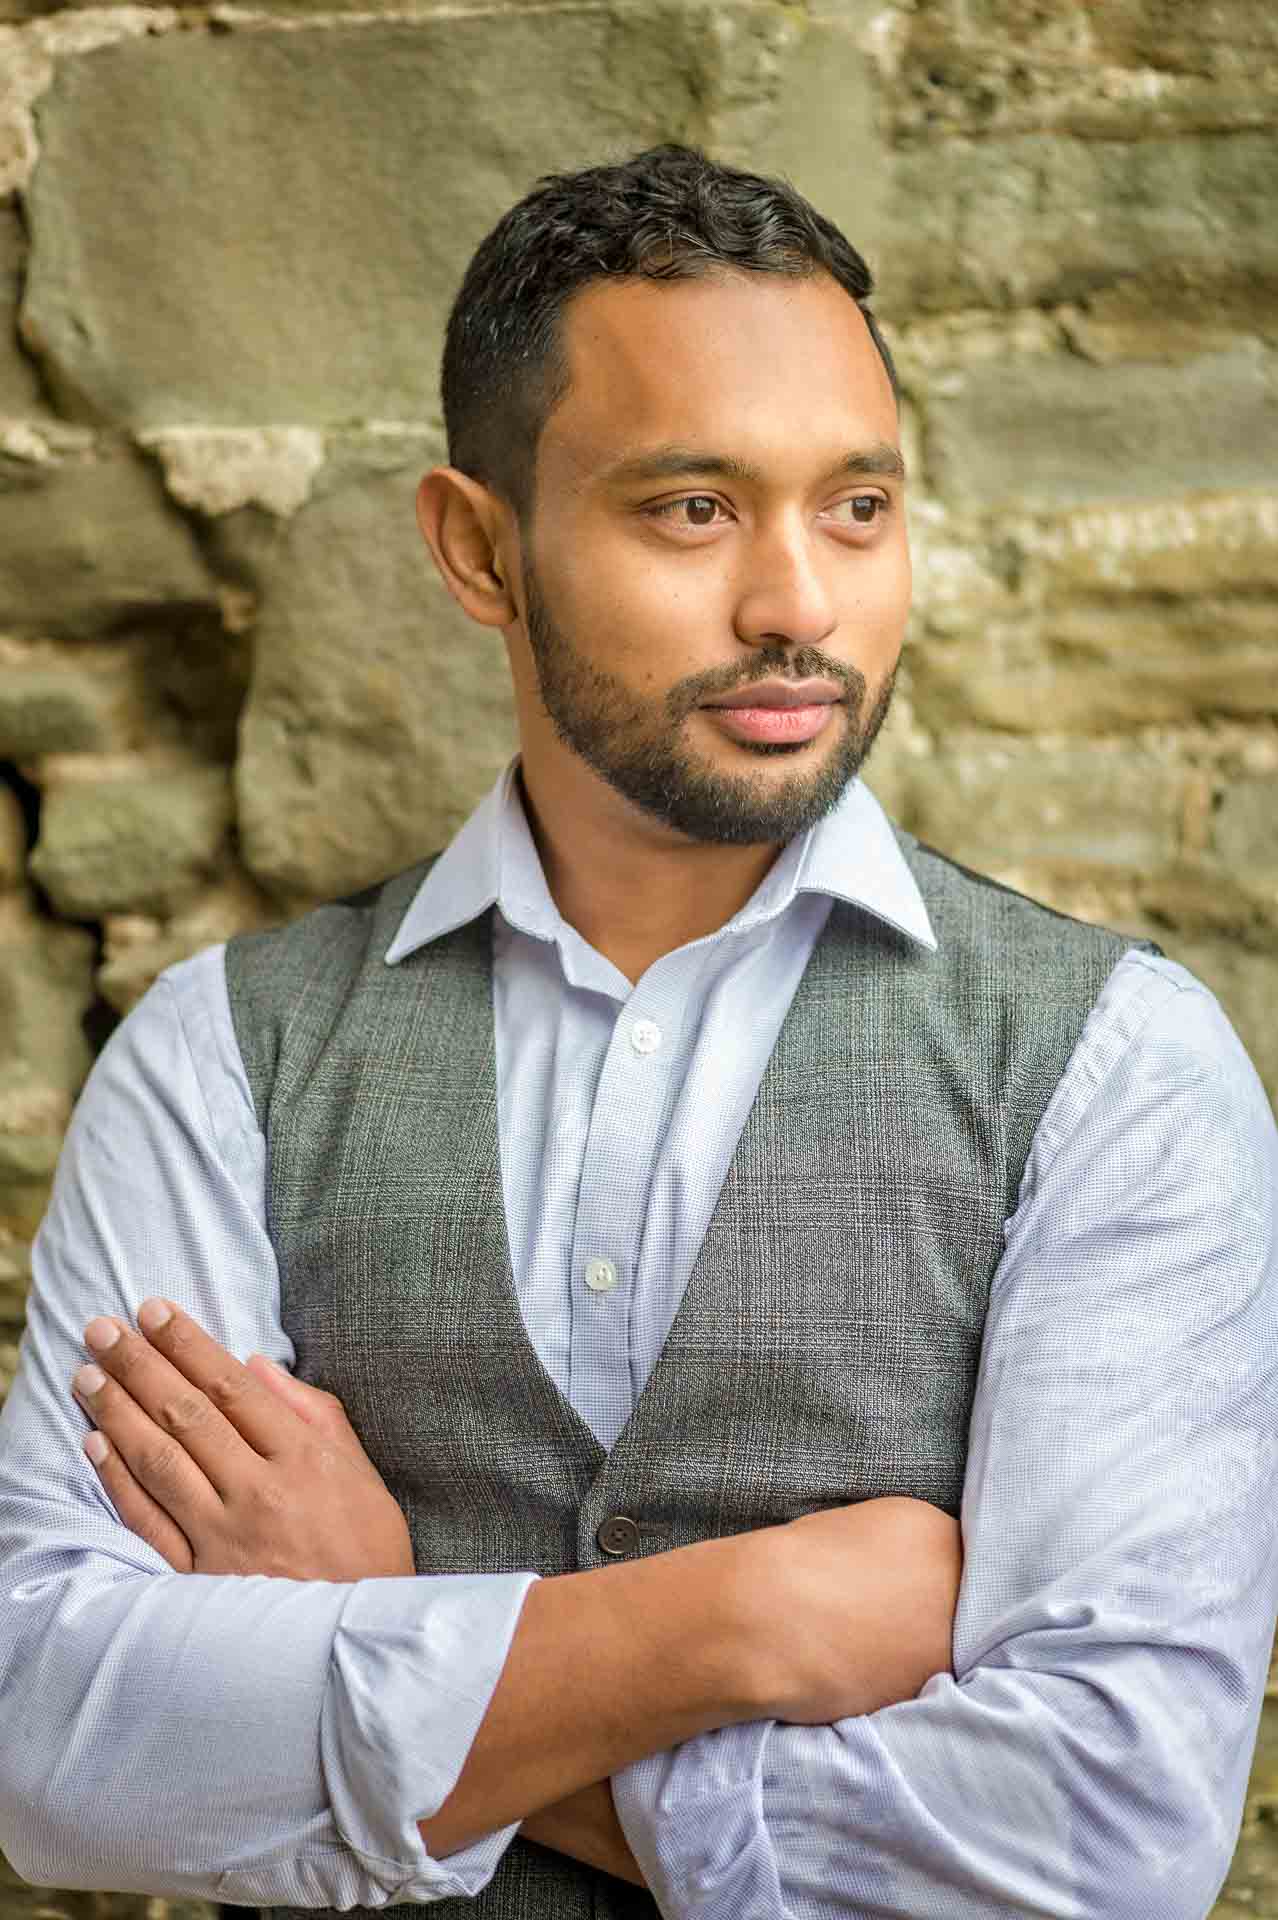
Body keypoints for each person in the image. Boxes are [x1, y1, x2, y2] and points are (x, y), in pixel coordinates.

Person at [1, 143, 1276, 1920]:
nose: (797, 606)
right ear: (477, 548)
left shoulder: (1115, 1067)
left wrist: (370, 1632)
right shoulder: (225, 1056)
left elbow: (1102, 1844)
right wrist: (715, 1630)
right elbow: (51, 1742)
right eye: (691, 509)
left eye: (855, 507)